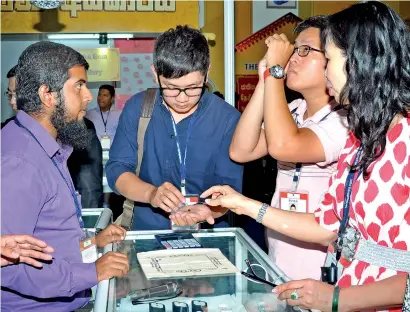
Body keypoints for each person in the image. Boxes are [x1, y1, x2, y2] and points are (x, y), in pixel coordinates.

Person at [179, 2, 410, 311]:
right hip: (338, 283)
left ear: (359, 61)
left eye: (328, 58)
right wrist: (241, 204)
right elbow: (329, 225)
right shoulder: (360, 136)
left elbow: (284, 147)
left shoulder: (395, 135)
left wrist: (338, 298)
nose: (325, 67)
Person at [1, 41, 129, 311]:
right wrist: (91, 272)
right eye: (79, 86)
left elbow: (48, 239)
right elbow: (9, 267)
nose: (88, 97)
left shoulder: (45, 148)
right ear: (48, 94)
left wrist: (93, 243)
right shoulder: (20, 162)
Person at [229, 16, 349, 280]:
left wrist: (275, 71)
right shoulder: (293, 110)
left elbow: (285, 146)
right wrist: (265, 78)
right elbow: (241, 151)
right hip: (280, 251)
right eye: (294, 49)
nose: (293, 58)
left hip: (322, 264)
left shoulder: (346, 121)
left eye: (305, 50)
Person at [106, 25, 243, 230]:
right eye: (170, 88)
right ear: (155, 73)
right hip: (148, 231)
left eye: (192, 88)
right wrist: (151, 194)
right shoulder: (138, 108)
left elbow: (230, 187)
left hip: (209, 236)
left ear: (207, 73)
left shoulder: (227, 118)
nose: (181, 98)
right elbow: (116, 170)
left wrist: (209, 210)